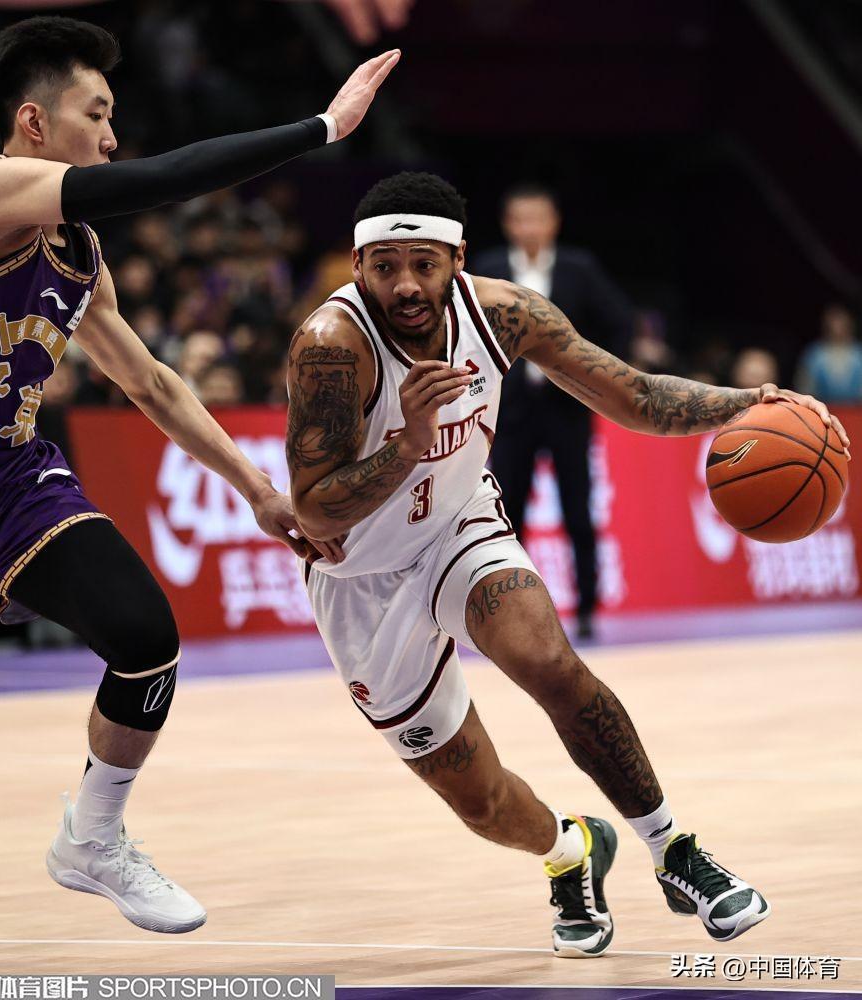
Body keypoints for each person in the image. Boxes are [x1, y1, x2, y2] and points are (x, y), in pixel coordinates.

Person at [284, 172, 850, 957]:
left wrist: (748, 403)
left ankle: (673, 851)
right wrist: (407, 444)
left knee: (547, 661)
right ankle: (568, 849)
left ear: (456, 258)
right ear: (357, 264)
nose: (405, 284)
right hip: (359, 581)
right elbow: (314, 511)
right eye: (385, 267)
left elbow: (636, 396)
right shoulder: (330, 347)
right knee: (480, 804)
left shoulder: (505, 313)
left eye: (423, 264)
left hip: (457, 529)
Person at [0, 14, 397, 944]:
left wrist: (255, 488)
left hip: (9, 484)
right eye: (95, 114)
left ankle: (92, 837)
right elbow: (157, 180)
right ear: (34, 122)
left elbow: (149, 382)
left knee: (144, 635)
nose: (111, 137)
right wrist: (322, 129)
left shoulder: (76, 252)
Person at [474, 184, 634, 639]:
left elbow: (621, 322)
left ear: (554, 223)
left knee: (578, 512)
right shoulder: (488, 271)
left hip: (567, 410)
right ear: (508, 224)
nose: (530, 227)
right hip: (509, 414)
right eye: (521, 219)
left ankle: (587, 609)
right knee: (507, 514)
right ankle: (511, 612)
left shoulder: (579, 269)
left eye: (538, 218)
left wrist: (596, 378)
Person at [796, 303, 862, 404]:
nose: (837, 327)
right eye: (833, 322)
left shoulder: (858, 353)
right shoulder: (814, 354)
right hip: (822, 408)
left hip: (856, 409)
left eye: (841, 322)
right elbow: (805, 388)